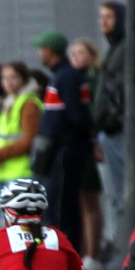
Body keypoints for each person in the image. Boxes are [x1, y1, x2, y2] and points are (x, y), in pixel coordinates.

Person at [30, 30, 92, 245]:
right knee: (58, 202)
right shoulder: (62, 75)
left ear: (49, 51)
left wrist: (75, 140)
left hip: (66, 150)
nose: (40, 54)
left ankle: (66, 250)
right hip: (61, 149)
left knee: (63, 205)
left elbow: (76, 115)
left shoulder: (66, 76)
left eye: (41, 49)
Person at [66, 38, 108, 263]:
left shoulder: (94, 80)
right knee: (79, 200)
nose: (76, 57)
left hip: (91, 145)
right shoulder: (74, 80)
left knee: (89, 199)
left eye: (81, 52)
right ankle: (82, 250)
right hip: (80, 146)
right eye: (73, 53)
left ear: (92, 55)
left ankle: (93, 251)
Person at [91, 0, 128, 255]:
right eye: (101, 17)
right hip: (109, 129)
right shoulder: (114, 48)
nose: (104, 22)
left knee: (122, 192)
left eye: (109, 17)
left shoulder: (125, 48)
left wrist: (114, 116)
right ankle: (117, 243)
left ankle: (122, 247)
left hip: (119, 129)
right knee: (113, 193)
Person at [0, 60, 41, 196]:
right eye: (4, 78)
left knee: (18, 216)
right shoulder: (10, 101)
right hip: (4, 170)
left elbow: (28, 140)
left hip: (21, 171)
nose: (8, 82)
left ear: (23, 78)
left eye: (13, 77)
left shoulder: (28, 103)